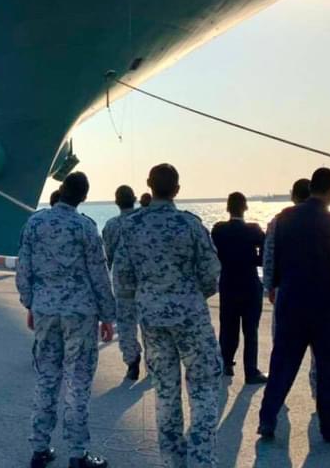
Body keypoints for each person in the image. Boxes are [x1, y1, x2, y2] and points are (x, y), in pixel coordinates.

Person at [258, 167, 330, 445]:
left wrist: (273, 285)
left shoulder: (283, 218)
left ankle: (267, 417)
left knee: (283, 363)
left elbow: (272, 253)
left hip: (290, 300)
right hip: (324, 305)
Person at [115, 163, 222, 467]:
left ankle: (172, 462)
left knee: (165, 393)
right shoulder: (189, 225)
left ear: (148, 186)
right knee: (203, 389)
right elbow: (212, 272)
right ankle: (201, 460)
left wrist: (146, 299)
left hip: (152, 320)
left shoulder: (130, 227)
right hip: (190, 317)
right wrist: (191, 295)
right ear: (177, 189)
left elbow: (122, 278)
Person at [16, 172, 116, 468]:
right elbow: (99, 274)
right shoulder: (85, 227)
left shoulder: (35, 222)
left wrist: (30, 304)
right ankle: (77, 453)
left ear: (60, 190)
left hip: (46, 310)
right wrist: (108, 316)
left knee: (46, 379)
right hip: (80, 314)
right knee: (78, 382)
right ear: (84, 197)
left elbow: (24, 268)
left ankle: (40, 449)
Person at [263, 178, 316, 394]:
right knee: (320, 351)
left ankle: (277, 394)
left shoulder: (278, 221)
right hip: (318, 292)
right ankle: (318, 391)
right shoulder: (325, 220)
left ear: (293, 196)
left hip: (287, 290)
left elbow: (269, 257)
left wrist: (270, 287)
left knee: (283, 346)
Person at [211, 192, 267, 384]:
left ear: (227, 208)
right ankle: (251, 371)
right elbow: (266, 251)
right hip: (250, 283)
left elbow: (212, 253)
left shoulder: (218, 230)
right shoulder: (253, 230)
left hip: (228, 283)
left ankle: (226, 363)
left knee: (228, 326)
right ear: (245, 208)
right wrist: (254, 259)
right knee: (250, 330)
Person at [102, 184, 141, 380]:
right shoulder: (144, 221)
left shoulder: (111, 225)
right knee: (149, 323)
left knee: (126, 324)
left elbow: (108, 255)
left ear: (116, 202)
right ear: (134, 199)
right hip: (146, 281)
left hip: (123, 281)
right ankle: (154, 360)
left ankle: (132, 362)